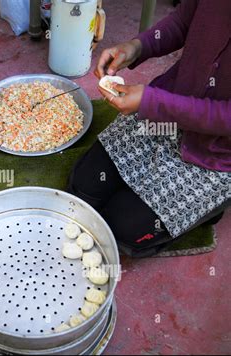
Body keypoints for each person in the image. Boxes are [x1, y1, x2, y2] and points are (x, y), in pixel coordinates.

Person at [67, 0, 231, 258]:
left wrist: (151, 102)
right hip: (169, 109)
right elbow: (183, 21)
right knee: (85, 186)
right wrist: (137, 46)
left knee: (121, 228)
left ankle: (214, 206)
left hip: (217, 154)